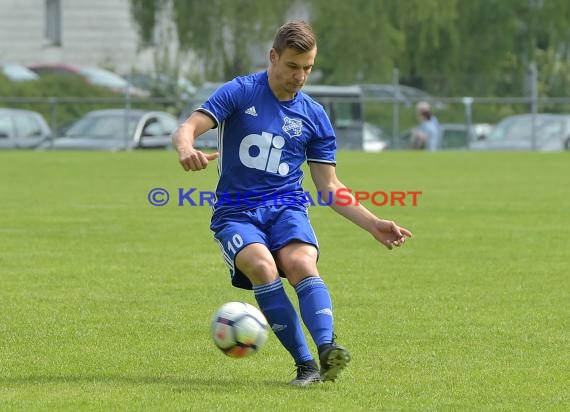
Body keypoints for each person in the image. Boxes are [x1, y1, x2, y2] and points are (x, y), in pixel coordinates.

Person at [172, 21, 412, 387]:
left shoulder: (314, 116)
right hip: (236, 212)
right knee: (261, 266)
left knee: (301, 262)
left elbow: (329, 186)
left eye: (308, 68)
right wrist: (186, 148)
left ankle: (328, 349)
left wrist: (372, 222)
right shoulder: (240, 92)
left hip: (287, 208)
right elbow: (187, 127)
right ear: (273, 57)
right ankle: (306, 366)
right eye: (293, 66)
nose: (300, 77)